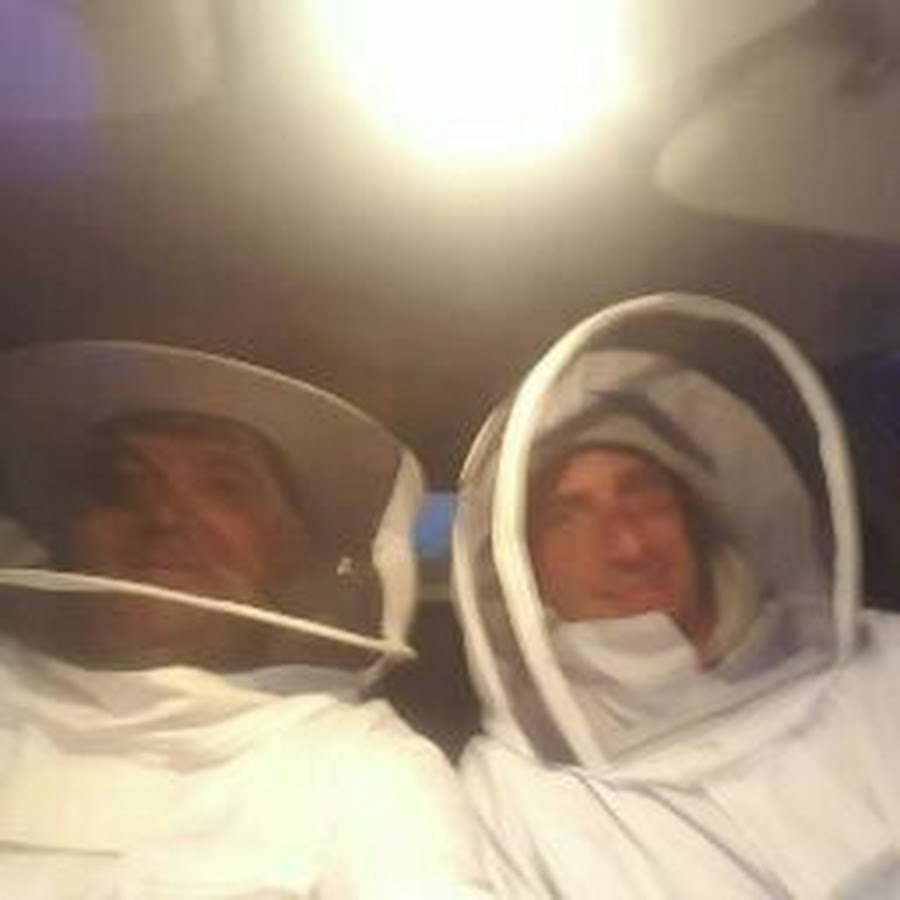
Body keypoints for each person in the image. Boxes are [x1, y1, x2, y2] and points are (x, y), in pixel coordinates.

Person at [0, 339, 489, 898]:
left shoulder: (361, 768)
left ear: (286, 549)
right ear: (69, 530)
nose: (164, 516)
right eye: (122, 484)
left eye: (223, 487)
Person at [453, 292, 900, 898]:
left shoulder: (880, 662)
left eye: (642, 493)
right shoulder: (514, 795)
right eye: (567, 516)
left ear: (695, 510)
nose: (628, 543)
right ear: (523, 566)